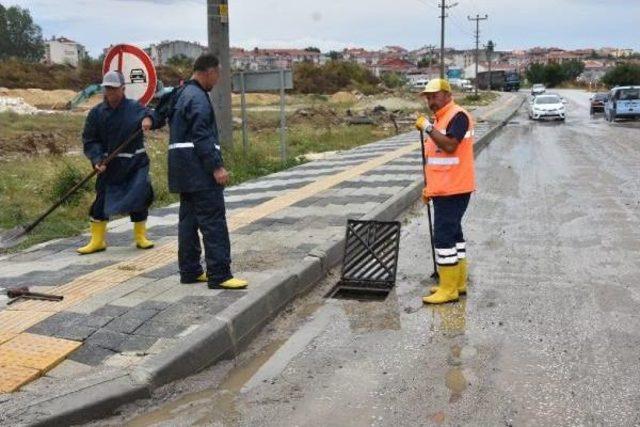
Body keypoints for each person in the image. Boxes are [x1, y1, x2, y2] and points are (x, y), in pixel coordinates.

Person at [165, 53, 247, 290]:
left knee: (188, 222)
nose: (218, 80)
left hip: (182, 171)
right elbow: (202, 135)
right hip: (200, 172)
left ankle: (190, 271)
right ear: (209, 72)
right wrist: (217, 166)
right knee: (213, 221)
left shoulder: (180, 93)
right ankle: (220, 274)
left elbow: (160, 113)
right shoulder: (199, 98)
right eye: (218, 74)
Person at [77, 70, 158, 255]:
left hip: (135, 164)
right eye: (107, 89)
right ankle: (97, 241)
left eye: (114, 89)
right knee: (101, 201)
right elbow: (90, 140)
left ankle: (140, 237)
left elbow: (155, 115)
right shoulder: (96, 113)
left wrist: (149, 119)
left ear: (123, 89)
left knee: (139, 196)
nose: (110, 93)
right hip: (109, 166)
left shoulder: (134, 108)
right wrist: (97, 159)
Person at [415, 78, 476, 304]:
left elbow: (450, 146)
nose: (430, 100)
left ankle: (448, 288)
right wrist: (429, 188)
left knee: (442, 238)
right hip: (445, 189)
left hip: (454, 189)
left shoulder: (458, 116)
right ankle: (458, 284)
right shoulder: (441, 118)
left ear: (447, 94)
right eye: (428, 97)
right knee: (454, 236)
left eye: (434, 95)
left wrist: (427, 128)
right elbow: (436, 161)